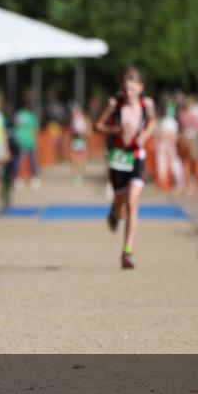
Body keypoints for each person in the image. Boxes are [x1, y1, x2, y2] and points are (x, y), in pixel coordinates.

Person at [94, 66, 156, 269]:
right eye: (125, 88)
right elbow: (97, 126)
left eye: (132, 88)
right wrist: (116, 130)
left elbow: (152, 122)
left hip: (136, 156)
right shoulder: (114, 104)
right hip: (118, 157)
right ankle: (113, 213)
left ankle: (127, 252)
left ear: (140, 87)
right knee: (120, 204)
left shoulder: (147, 104)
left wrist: (144, 135)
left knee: (132, 203)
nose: (128, 92)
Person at [177, 93, 198, 196]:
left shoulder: (181, 115)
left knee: (185, 164)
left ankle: (187, 187)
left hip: (183, 138)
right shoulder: (194, 116)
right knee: (197, 164)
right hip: (193, 138)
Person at [12, 101, 40, 190]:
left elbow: (15, 125)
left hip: (20, 141)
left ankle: (18, 179)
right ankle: (34, 178)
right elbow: (35, 129)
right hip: (28, 141)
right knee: (31, 161)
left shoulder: (17, 115)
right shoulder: (31, 116)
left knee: (19, 161)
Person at [67, 103, 90, 185]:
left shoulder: (84, 119)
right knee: (74, 160)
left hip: (82, 141)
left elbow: (88, 132)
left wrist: (83, 134)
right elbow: (70, 132)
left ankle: (80, 175)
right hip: (75, 141)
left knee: (81, 160)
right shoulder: (72, 120)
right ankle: (75, 176)